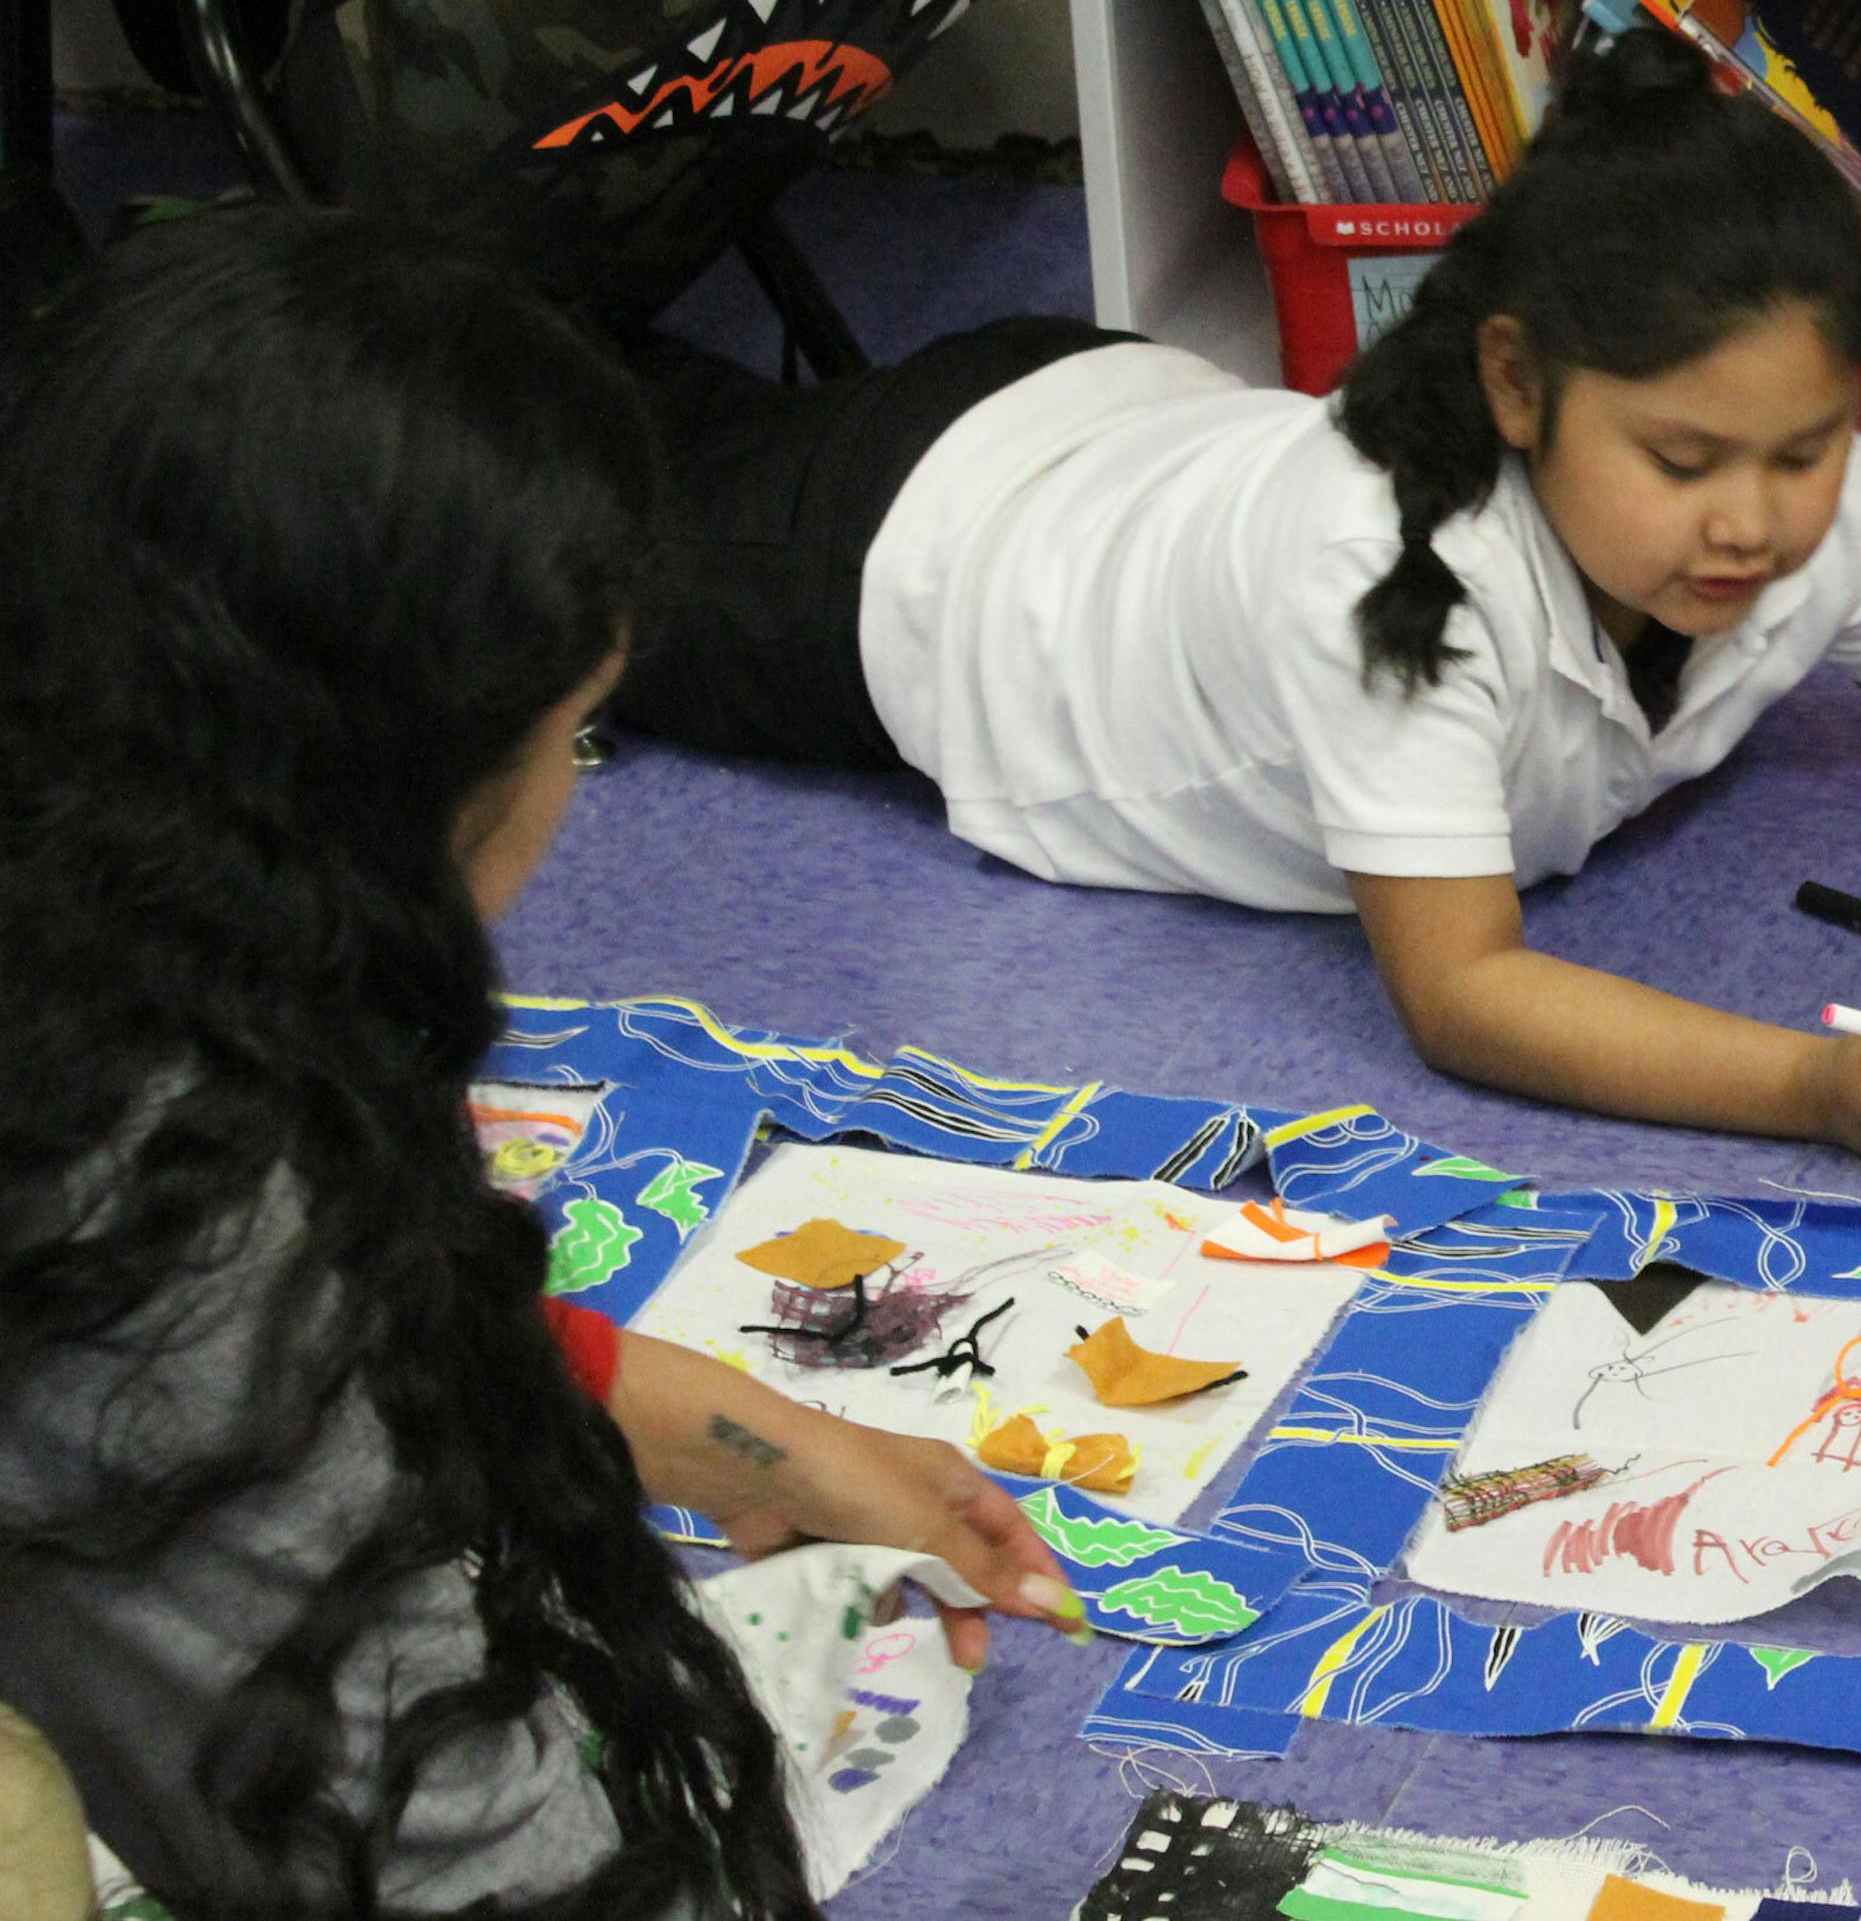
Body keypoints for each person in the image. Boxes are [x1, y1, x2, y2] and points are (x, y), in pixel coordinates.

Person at [617, 34, 1861, 1172]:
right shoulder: (1398, 579)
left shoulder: (1783, 495)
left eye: (1807, 448)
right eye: (1685, 457)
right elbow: (1463, 989)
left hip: (1113, 414)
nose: (1755, 518)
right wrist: (1806, 1085)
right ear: (1518, 383)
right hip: (923, 571)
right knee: (482, 513)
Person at [0, 210, 1078, 1921]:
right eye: (571, 736)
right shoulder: (164, 1192)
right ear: (380, 790)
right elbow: (467, 1859)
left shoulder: (85, 894)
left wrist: (739, 1430)